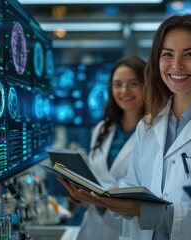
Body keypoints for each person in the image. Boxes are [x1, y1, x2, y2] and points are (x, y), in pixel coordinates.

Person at [60, 14, 191, 240]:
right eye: (167, 55)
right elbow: (130, 193)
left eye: (189, 54)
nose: (176, 65)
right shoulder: (147, 126)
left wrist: (144, 211)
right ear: (157, 62)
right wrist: (100, 201)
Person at [70, 56, 146, 240]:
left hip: (130, 227)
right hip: (95, 225)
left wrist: (102, 198)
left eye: (132, 83)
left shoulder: (155, 132)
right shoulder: (102, 128)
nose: (124, 91)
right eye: (117, 84)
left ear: (147, 85)